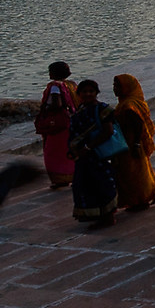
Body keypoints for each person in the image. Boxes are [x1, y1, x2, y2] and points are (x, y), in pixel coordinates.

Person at [68, 79, 120, 229]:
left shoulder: (102, 109)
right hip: (84, 157)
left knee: (101, 184)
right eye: (84, 91)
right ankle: (96, 215)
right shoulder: (80, 109)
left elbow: (108, 131)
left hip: (97, 155)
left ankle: (108, 217)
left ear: (96, 93)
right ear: (79, 94)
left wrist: (88, 147)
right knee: (84, 185)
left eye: (91, 91)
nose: (88, 94)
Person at [110, 74, 155, 214]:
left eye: (118, 86)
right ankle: (147, 195)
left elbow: (138, 124)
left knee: (133, 174)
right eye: (114, 86)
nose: (115, 89)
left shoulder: (128, 105)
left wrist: (136, 145)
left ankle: (140, 200)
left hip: (130, 144)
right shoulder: (129, 102)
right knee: (140, 171)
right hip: (130, 143)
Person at [36, 61, 77, 189]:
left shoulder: (55, 86)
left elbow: (57, 104)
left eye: (50, 71)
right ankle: (72, 176)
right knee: (68, 151)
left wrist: (46, 108)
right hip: (70, 121)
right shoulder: (71, 85)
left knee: (53, 152)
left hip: (57, 124)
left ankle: (59, 179)